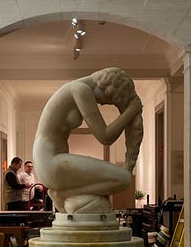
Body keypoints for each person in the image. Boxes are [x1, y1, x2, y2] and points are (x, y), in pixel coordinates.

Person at [33, 67, 144, 214]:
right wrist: (131, 110)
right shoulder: (80, 90)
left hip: (48, 159)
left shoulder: (75, 88)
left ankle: (63, 193)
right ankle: (62, 194)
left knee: (123, 179)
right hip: (49, 161)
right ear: (107, 87)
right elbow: (105, 137)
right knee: (123, 179)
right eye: (109, 99)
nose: (103, 104)